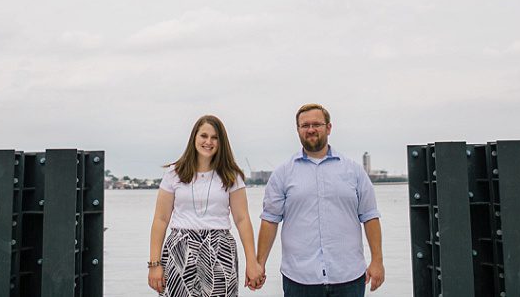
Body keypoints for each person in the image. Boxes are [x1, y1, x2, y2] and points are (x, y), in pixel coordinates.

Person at [253, 103, 385, 296]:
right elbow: (270, 220)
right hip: (299, 278)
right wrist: (259, 264)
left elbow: (370, 216)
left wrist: (377, 261)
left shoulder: (354, 171)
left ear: (329, 128)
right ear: (298, 130)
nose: (311, 129)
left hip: (348, 276)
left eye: (317, 124)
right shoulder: (283, 174)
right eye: (305, 125)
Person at [148, 114, 265, 296]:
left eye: (214, 138)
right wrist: (154, 264)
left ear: (221, 142)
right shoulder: (174, 173)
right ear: (194, 137)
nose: (208, 142)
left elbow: (242, 219)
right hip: (180, 248)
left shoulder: (231, 175)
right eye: (204, 136)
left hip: (220, 248)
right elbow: (161, 219)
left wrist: (252, 261)